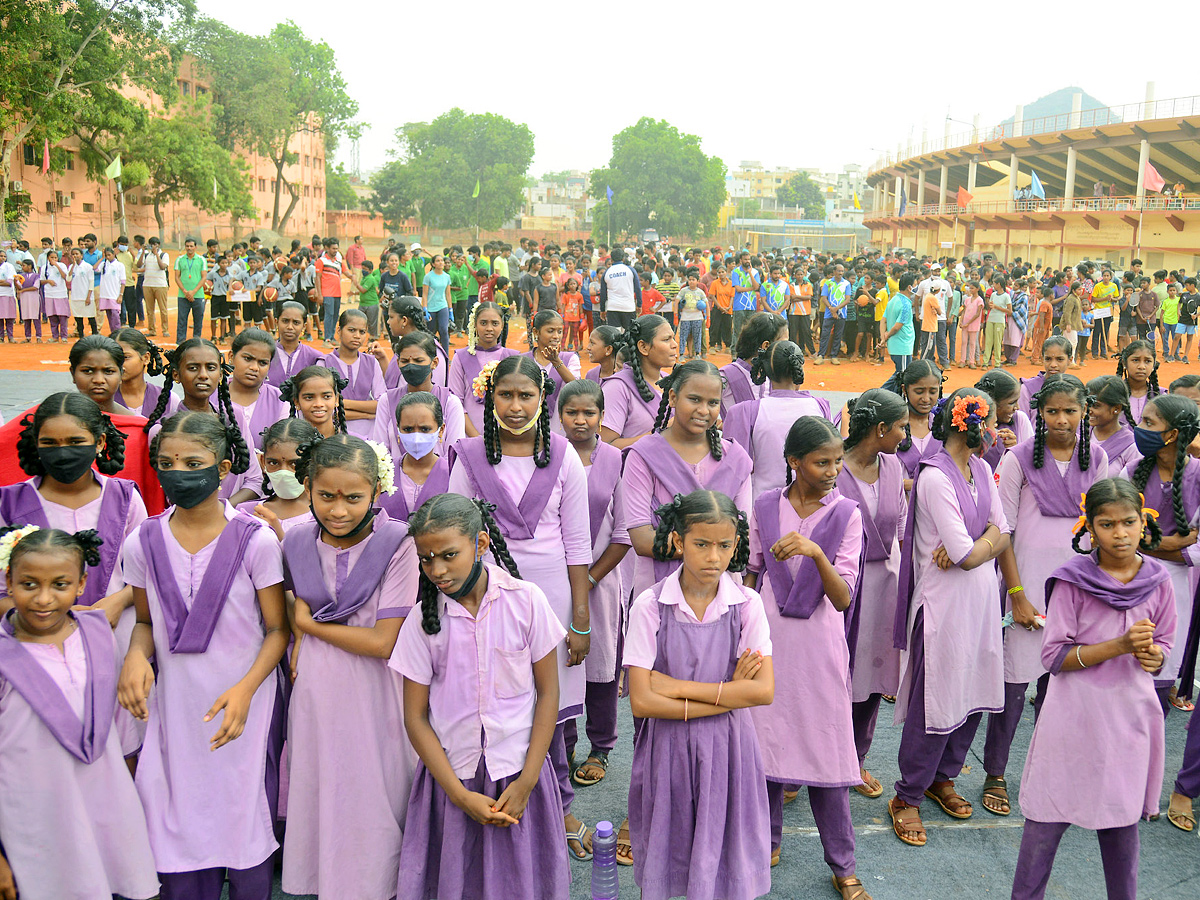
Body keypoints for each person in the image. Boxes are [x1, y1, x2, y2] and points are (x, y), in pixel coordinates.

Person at [118, 411, 288, 900]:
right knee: (175, 809)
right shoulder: (142, 541)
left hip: (244, 702)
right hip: (175, 704)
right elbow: (147, 623)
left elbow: (276, 630)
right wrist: (135, 655)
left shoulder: (254, 540)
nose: (179, 472)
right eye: (166, 463)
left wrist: (245, 689)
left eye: (193, 461)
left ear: (223, 467)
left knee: (241, 808)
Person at [447, 355, 595, 862]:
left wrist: (581, 618)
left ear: (542, 399)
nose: (514, 406)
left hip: (552, 597)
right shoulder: (468, 456)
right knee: (499, 700)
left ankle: (560, 802)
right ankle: (496, 789)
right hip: (487, 597)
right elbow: (456, 533)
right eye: (505, 395)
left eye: (525, 396)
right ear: (489, 398)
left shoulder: (562, 457)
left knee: (551, 708)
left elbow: (578, 542)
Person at [390, 493, 571, 900]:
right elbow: (415, 718)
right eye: (426, 558)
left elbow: (548, 694)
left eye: (449, 555)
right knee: (457, 881)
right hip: (453, 777)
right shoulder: (422, 622)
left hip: (519, 772)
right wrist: (457, 794)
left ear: (482, 544)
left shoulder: (527, 601)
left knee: (523, 882)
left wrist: (526, 782)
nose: (436, 569)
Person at [1012, 479, 1174, 900]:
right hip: (1073, 720)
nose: (1119, 533)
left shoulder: (1158, 581)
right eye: (1107, 524)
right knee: (1045, 823)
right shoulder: (1072, 581)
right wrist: (1119, 646)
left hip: (1128, 721)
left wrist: (1153, 657)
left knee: (1121, 825)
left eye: (1128, 523)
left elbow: (1165, 645)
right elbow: (1053, 658)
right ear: (1089, 528)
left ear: (1145, 523)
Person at [280, 435, 418, 899]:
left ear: (377, 493)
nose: (338, 510)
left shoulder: (400, 543)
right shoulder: (297, 540)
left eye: (354, 498)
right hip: (317, 689)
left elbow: (383, 642)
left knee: (376, 789)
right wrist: (299, 630)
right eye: (326, 496)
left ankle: (384, 884)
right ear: (308, 488)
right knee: (325, 784)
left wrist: (307, 625)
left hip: (377, 689)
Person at [746, 417, 875, 899]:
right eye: (822, 462)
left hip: (819, 646)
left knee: (827, 752)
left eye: (838, 461)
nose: (833, 471)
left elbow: (843, 599)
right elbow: (753, 576)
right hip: (769, 639)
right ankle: (768, 839)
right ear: (793, 462)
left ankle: (842, 862)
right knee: (767, 741)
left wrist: (815, 553)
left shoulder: (846, 514)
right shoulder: (764, 506)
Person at [627, 491, 776, 900]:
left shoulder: (747, 604)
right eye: (702, 544)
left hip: (730, 751)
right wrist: (730, 692)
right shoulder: (650, 606)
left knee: (724, 848)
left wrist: (676, 688)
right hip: (668, 751)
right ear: (677, 542)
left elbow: (763, 691)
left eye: (725, 546)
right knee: (671, 845)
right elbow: (642, 702)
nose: (714, 556)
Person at [0, 527, 160, 900]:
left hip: (104, 806)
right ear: (7, 581)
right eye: (28, 584)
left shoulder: (97, 632)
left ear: (81, 583)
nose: (43, 599)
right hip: (31, 818)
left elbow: (119, 734)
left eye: (59, 584)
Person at [888, 389, 1011, 847]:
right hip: (941, 606)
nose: (999, 431)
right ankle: (908, 795)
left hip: (979, 601)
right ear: (973, 424)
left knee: (973, 689)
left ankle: (944, 777)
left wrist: (979, 544)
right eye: (994, 421)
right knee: (936, 696)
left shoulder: (980, 468)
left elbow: (1001, 529)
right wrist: (984, 542)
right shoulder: (936, 476)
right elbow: (963, 551)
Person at [982, 375, 1107, 818]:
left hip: (1075, 591)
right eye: (1052, 411)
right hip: (1027, 587)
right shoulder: (1018, 459)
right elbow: (1004, 531)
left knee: (1060, 690)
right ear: (1039, 413)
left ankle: (1049, 771)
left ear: (1084, 413)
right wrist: (1016, 593)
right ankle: (995, 771)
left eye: (1070, 411)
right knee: (1015, 686)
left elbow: (1103, 529)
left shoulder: (1099, 458)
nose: (1061, 419)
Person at [556, 380, 630, 790]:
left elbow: (623, 533)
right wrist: (567, 578)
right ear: (560, 415)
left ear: (602, 416)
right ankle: (563, 743)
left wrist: (589, 577)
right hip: (557, 579)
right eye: (572, 412)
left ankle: (600, 745)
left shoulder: (616, 460)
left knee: (601, 666)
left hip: (600, 579)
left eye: (589, 413)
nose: (580, 420)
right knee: (560, 662)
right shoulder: (548, 455)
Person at [837, 390, 908, 798]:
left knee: (872, 676)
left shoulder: (894, 466)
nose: (904, 434)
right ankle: (807, 763)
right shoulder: (833, 466)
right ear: (880, 429)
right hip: (842, 587)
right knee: (833, 675)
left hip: (884, 586)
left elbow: (899, 525)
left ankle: (855, 760)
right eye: (899, 427)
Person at [1120, 392, 1200, 713]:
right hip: (1129, 584)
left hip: (1176, 589)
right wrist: (1176, 543)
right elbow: (1116, 534)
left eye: (1148, 422)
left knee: (1158, 683)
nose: (1140, 428)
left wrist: (1146, 545)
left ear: (1172, 435)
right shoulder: (1132, 470)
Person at [724, 339, 831, 498]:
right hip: (814, 504)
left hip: (762, 506)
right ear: (799, 367)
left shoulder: (746, 411)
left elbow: (736, 469)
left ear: (765, 369)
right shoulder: (820, 406)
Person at [372, 332, 469, 466]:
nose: (411, 366)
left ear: (434, 363)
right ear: (398, 363)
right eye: (405, 361)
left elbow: (453, 455)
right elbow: (381, 450)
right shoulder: (387, 401)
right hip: (395, 482)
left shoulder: (450, 402)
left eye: (418, 361)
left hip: (440, 480)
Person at [599, 314, 678, 449]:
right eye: (666, 339)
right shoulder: (617, 387)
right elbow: (605, 446)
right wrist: (664, 431)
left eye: (673, 338)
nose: (674, 345)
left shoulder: (668, 380)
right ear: (643, 347)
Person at [239, 418, 319, 538]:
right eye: (273, 463)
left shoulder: (322, 517)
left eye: (294, 464)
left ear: (312, 462)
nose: (283, 472)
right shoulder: (247, 513)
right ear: (262, 461)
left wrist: (278, 533)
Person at [447, 301, 518, 434]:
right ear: (475, 325)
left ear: (502, 325)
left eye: (495, 323)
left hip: (506, 438)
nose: (489, 328)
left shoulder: (513, 358)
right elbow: (456, 403)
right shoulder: (461, 357)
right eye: (483, 323)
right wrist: (475, 438)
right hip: (469, 436)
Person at [322, 308, 387, 439]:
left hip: (370, 435)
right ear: (339, 331)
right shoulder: (324, 363)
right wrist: (367, 414)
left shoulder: (372, 363)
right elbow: (326, 409)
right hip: (335, 434)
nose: (357, 336)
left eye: (362, 332)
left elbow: (382, 404)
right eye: (352, 330)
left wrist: (341, 403)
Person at [227, 328, 288, 451]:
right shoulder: (211, 396)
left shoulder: (280, 401)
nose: (254, 368)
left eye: (262, 363)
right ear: (231, 357)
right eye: (248, 359)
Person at [377, 295, 450, 391]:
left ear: (404, 320)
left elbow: (432, 390)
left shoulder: (428, 350)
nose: (388, 321)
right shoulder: (407, 345)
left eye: (391, 317)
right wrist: (382, 358)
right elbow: (395, 382)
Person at [720, 312, 786, 418]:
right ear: (766, 345)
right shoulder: (726, 376)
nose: (787, 347)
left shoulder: (777, 375)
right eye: (784, 343)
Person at [523, 310, 579, 434]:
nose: (556, 336)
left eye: (559, 331)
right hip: (529, 426)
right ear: (536, 332)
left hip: (560, 428)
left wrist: (556, 362)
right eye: (550, 331)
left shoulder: (570, 358)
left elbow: (576, 386)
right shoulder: (523, 360)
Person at [893, 360, 944, 482]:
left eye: (933, 392)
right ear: (905, 389)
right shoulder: (892, 427)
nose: (926, 399)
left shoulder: (943, 428)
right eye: (919, 392)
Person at [976, 369, 1034, 475]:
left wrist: (1015, 449)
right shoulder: (973, 425)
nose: (1017, 407)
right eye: (1012, 403)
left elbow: (1031, 462)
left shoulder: (1020, 419)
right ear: (992, 402)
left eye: (1017, 401)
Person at [1087, 375, 1138, 473]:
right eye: (1087, 404)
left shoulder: (1131, 446)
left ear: (1116, 409)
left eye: (1096, 406)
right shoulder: (1079, 434)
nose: (1089, 410)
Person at [266, 300, 322, 388]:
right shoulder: (264, 354)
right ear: (276, 322)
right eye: (285, 321)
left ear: (304, 326)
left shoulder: (315, 357)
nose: (290, 327)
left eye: (296, 323)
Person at [281, 365, 348, 438]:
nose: (318, 404)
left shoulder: (354, 444)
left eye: (327, 397)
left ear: (336, 399)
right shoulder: (287, 444)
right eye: (309, 397)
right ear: (296, 402)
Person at [1018, 336, 1073, 420]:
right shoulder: (1027, 389)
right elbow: (1021, 423)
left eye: (1060, 359)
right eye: (1048, 359)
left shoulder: (1074, 389)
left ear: (1070, 360)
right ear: (1042, 358)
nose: (1053, 365)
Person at [316, 238, 354, 347]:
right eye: (333, 248)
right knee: (329, 314)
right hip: (327, 293)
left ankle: (332, 337)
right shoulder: (321, 261)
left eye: (337, 248)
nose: (335, 251)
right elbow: (317, 278)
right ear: (327, 248)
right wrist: (319, 294)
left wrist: (353, 277)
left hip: (337, 293)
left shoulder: (338, 262)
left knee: (335, 315)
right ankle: (326, 339)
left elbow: (347, 273)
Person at [1115, 339, 1161, 426]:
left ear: (1153, 365)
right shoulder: (1112, 394)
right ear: (1124, 363)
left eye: (1147, 361)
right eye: (1135, 360)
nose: (1141, 366)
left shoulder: (1161, 396)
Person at [173, 238, 207, 344]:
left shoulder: (201, 259)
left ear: (195, 247)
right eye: (187, 246)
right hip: (183, 295)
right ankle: (180, 342)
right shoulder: (180, 259)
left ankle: (196, 341)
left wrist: (193, 291)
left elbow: (204, 277)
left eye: (191, 246)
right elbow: (177, 277)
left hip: (198, 295)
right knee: (182, 319)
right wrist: (185, 291)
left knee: (198, 319)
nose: (189, 248)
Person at [600, 247, 641, 332]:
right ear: (623, 258)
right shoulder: (631, 270)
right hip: (628, 307)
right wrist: (639, 305)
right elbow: (638, 289)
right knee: (629, 334)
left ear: (611, 260)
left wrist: (602, 310)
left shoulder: (607, 272)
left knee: (615, 334)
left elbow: (603, 294)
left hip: (613, 307)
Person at [883, 273, 917, 375]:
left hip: (896, 345)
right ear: (909, 287)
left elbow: (883, 320)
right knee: (902, 375)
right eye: (915, 285)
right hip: (902, 346)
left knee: (900, 374)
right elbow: (898, 326)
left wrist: (883, 337)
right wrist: (887, 336)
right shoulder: (906, 304)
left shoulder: (893, 300)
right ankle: (881, 390)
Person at [422, 254, 453, 352]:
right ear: (433, 264)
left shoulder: (447, 277)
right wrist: (425, 309)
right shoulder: (428, 277)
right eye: (438, 261)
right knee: (431, 332)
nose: (441, 263)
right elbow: (425, 294)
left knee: (444, 330)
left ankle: (446, 355)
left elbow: (448, 294)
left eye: (442, 260)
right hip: (431, 308)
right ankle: (430, 353)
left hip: (442, 306)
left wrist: (450, 309)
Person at [39, 249, 70, 342]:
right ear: (48, 258)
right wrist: (48, 281)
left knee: (63, 316)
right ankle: (55, 336)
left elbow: (65, 277)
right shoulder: (44, 267)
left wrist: (57, 265)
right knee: (52, 316)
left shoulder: (62, 266)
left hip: (61, 294)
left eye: (55, 257)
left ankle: (64, 336)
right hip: (49, 294)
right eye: (52, 257)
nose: (54, 259)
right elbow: (41, 281)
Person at [981, 275, 1012, 369]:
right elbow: (991, 305)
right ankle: (985, 362)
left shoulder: (1006, 296)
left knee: (998, 342)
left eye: (995, 283)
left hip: (999, 320)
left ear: (999, 284)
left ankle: (997, 363)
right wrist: (991, 306)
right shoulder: (993, 295)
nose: (993, 285)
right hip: (991, 319)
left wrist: (996, 307)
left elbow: (1010, 311)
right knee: (988, 341)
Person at [68, 247, 99, 338]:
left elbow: (91, 282)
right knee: (78, 318)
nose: (75, 256)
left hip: (86, 296)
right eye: (73, 254)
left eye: (77, 254)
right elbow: (68, 279)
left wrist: (88, 296)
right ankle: (81, 336)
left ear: (81, 255)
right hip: (75, 297)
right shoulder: (71, 267)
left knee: (91, 317)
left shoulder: (87, 267)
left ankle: (95, 335)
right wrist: (73, 266)